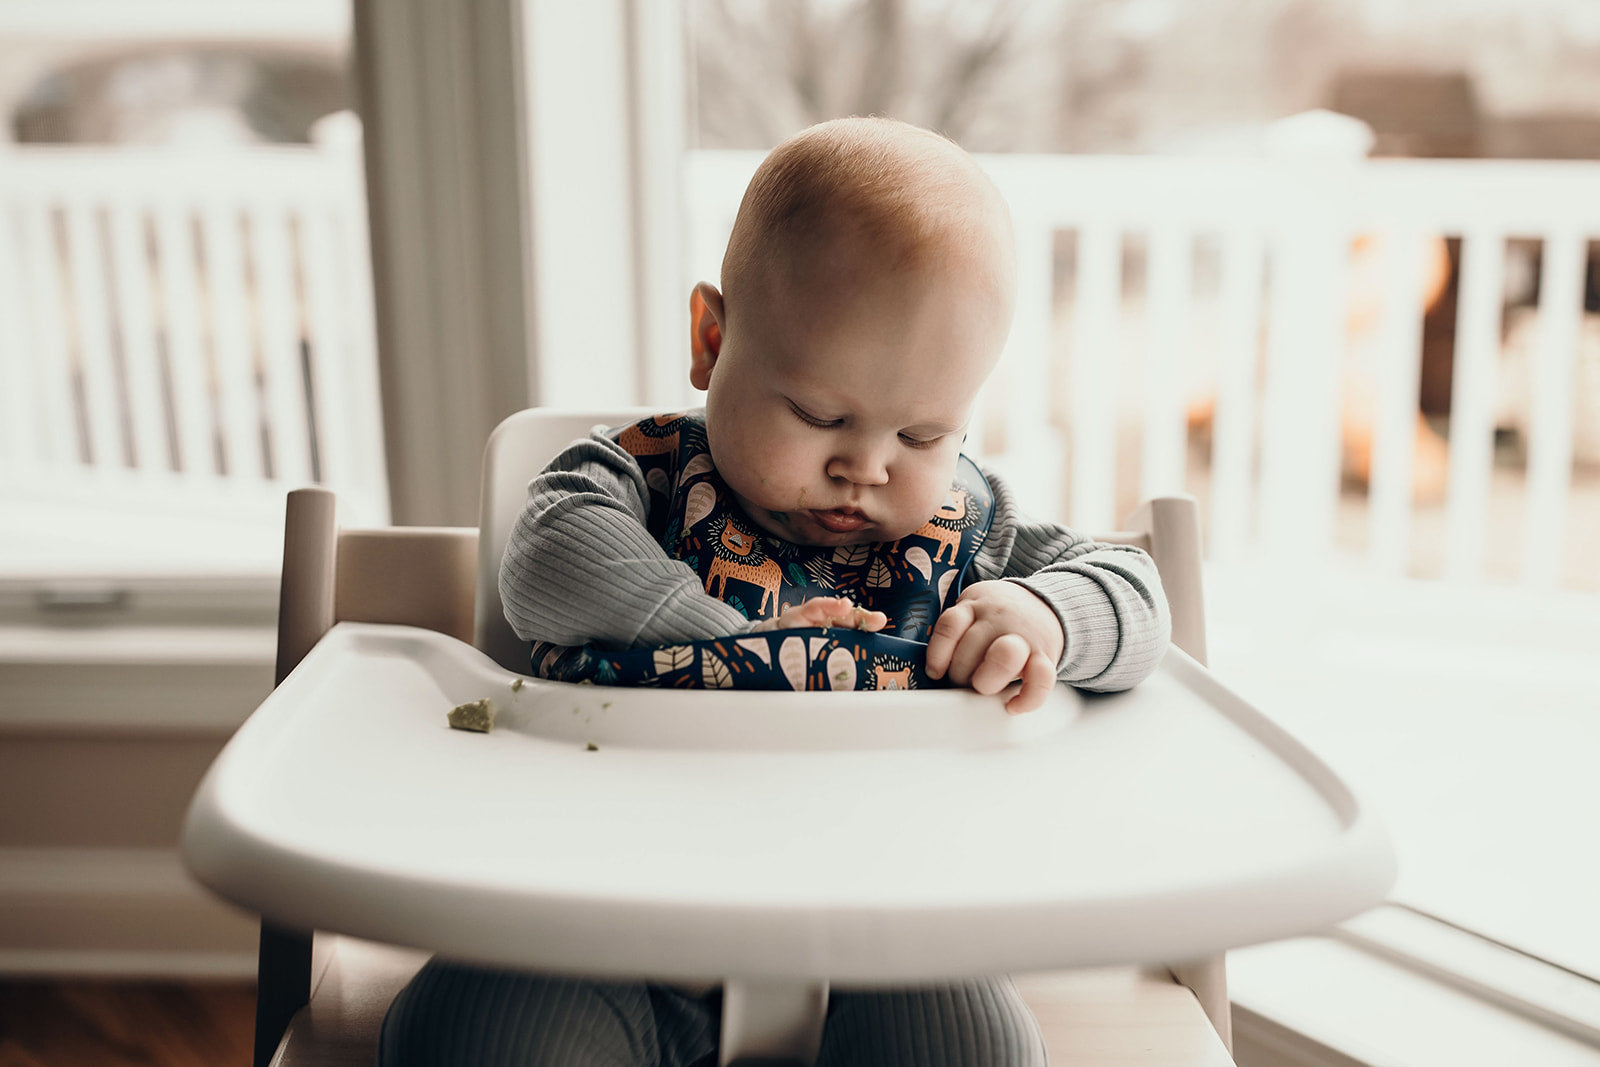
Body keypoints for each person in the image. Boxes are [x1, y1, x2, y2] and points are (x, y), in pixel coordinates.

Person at [381, 116, 1170, 1067]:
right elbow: (546, 559)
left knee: (976, 1051)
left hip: (887, 944)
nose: (866, 466)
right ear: (712, 341)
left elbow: (1137, 596)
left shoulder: (965, 536)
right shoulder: (649, 478)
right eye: (820, 414)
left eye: (923, 435)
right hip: (598, 925)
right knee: (476, 1041)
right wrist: (726, 636)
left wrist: (1045, 615)